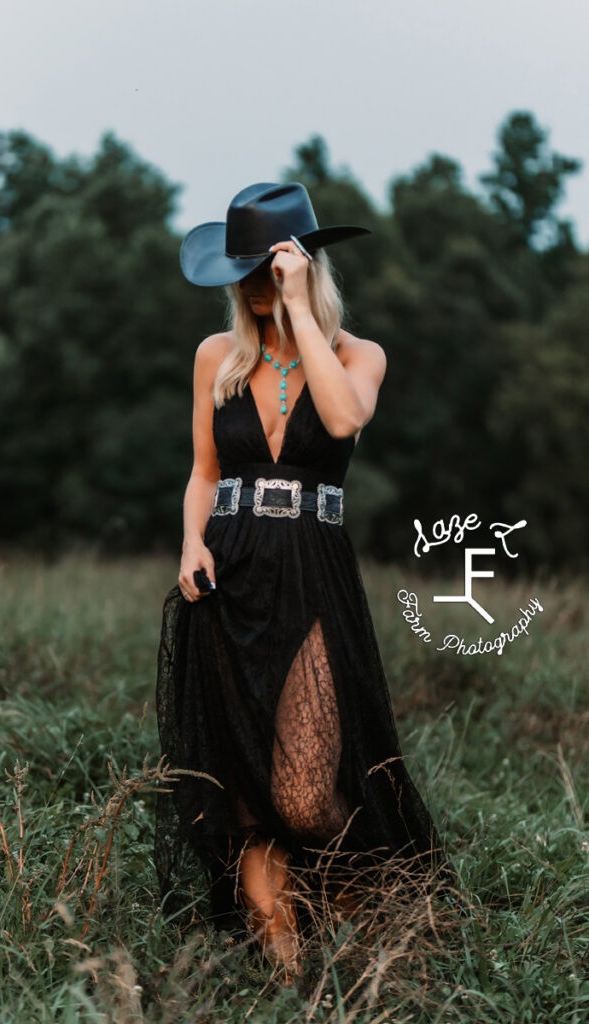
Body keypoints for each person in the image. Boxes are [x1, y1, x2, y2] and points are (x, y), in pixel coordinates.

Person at [153, 182, 451, 983]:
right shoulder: (216, 358)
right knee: (242, 792)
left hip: (311, 572)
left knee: (308, 795)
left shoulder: (358, 354)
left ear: (303, 265)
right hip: (228, 566)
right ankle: (288, 980)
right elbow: (203, 472)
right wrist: (189, 543)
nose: (251, 288)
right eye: (241, 275)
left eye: (268, 269)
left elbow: (344, 418)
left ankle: (378, 920)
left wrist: (299, 316)